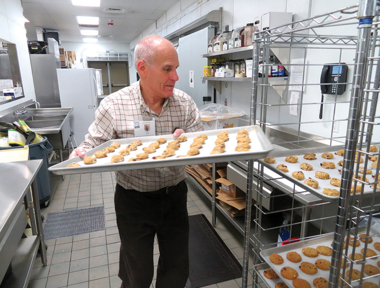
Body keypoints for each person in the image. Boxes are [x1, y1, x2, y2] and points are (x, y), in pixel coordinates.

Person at [70, 35, 203, 288]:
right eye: (167, 69)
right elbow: (92, 144)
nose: (175, 77)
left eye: (176, 69)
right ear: (142, 68)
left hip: (175, 196)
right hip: (134, 200)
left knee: (176, 270)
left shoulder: (184, 104)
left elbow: (200, 144)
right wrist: (81, 152)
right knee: (137, 274)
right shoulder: (114, 105)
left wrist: (187, 142)